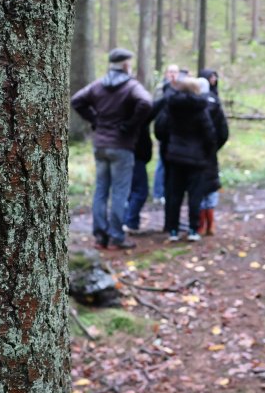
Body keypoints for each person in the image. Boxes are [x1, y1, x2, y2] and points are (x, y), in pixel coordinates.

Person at [71, 48, 152, 250]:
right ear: (125, 65)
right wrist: (130, 125)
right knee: (119, 192)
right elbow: (146, 102)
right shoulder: (131, 86)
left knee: (100, 191)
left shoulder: (98, 85)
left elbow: (77, 101)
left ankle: (100, 236)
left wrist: (95, 120)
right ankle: (116, 236)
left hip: (100, 145)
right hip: (121, 147)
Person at [160, 78, 217, 242]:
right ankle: (193, 229)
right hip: (196, 158)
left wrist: (169, 145)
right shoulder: (200, 108)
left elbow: (161, 128)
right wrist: (207, 152)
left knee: (175, 195)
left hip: (175, 157)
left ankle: (173, 230)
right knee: (195, 195)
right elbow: (209, 133)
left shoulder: (171, 106)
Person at [198, 70, 229, 235]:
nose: (214, 80)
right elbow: (223, 131)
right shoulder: (213, 103)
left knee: (200, 186)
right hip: (207, 152)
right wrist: (213, 146)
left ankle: (204, 224)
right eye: (211, 77)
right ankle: (206, 223)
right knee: (209, 185)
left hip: (196, 152)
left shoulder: (191, 103)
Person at [152, 64, 181, 203]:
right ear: (166, 73)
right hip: (163, 130)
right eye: (170, 72)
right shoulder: (160, 89)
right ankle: (158, 193)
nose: (173, 74)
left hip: (176, 132)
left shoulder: (181, 88)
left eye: (175, 72)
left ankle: (169, 191)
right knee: (162, 163)